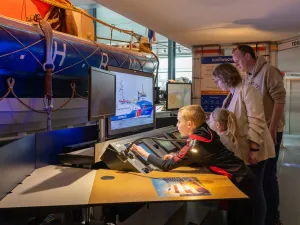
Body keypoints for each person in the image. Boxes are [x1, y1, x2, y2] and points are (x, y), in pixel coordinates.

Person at [131, 104, 265, 225]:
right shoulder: (206, 131)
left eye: (179, 121)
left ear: (189, 124)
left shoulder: (197, 143)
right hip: (245, 177)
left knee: (243, 220)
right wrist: (176, 156)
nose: (177, 125)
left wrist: (143, 152)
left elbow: (166, 165)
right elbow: (201, 155)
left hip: (243, 185)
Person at [233, 45, 286, 225]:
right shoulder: (248, 76)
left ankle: (273, 218)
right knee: (259, 177)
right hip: (259, 132)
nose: (237, 64)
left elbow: (280, 100)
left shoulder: (269, 71)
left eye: (238, 60)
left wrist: (272, 129)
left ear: (248, 56)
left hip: (271, 131)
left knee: (269, 175)